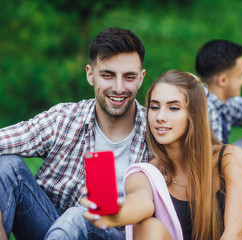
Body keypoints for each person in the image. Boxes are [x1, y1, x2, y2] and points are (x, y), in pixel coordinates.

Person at [0, 27, 151, 240]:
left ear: (141, 78)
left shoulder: (155, 130)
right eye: (107, 75)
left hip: (112, 235)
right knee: (5, 166)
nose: (119, 88)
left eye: (129, 77)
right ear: (90, 74)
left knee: (80, 216)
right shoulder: (65, 118)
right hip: (51, 229)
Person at [79, 70, 242, 239]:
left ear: (194, 114)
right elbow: (141, 202)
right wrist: (116, 214)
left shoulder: (229, 158)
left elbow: (235, 233)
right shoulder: (146, 173)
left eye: (173, 108)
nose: (160, 117)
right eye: (154, 107)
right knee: (149, 227)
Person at [195, 39, 242, 174]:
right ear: (223, 80)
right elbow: (205, 167)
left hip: (217, 169)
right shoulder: (203, 107)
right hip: (200, 180)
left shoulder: (225, 100)